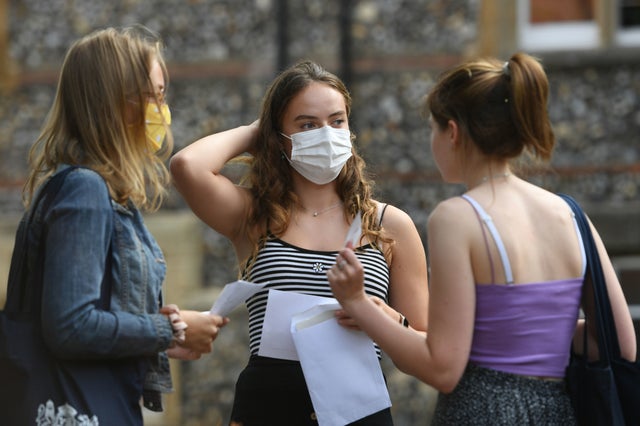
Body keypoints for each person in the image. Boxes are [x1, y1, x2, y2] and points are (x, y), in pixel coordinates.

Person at [327, 52, 637, 425]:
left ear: (453, 132)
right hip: (559, 412)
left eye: (433, 128)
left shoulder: (458, 217)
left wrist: (358, 303)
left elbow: (442, 368)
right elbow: (622, 344)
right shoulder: (571, 215)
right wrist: (531, 327)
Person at [170, 60, 429, 425]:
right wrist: (256, 130)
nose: (326, 134)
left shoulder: (388, 224)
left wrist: (386, 319)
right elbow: (186, 166)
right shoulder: (254, 214)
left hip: (356, 410)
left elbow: (426, 349)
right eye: (308, 124)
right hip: (267, 410)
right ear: (279, 136)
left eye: (337, 121)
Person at [5, 26, 227, 424]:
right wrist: (170, 329)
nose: (163, 109)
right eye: (154, 95)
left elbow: (94, 310)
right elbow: (71, 326)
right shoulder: (84, 191)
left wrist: (154, 330)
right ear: (116, 101)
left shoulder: (93, 190)